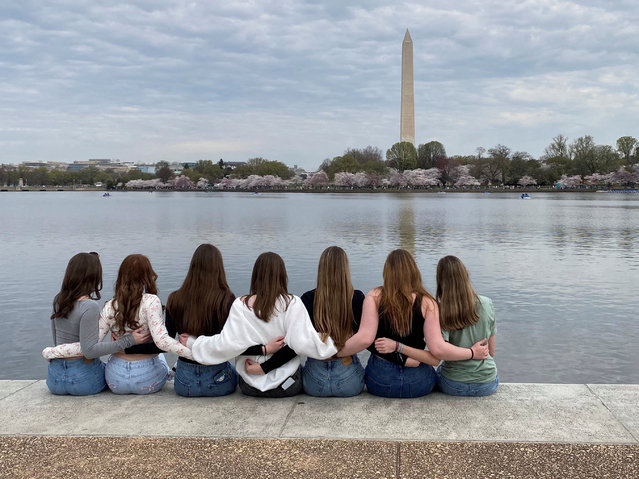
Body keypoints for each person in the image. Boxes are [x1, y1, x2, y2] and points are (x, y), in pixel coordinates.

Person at [181, 252, 337, 398]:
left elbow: (228, 345)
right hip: (287, 386)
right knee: (301, 371)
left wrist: (193, 343)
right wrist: (334, 341)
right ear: (282, 275)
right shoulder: (293, 303)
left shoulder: (240, 305)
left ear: (255, 275)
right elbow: (300, 344)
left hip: (249, 386)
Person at [364, 249, 489, 398]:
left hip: (379, 381)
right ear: (414, 271)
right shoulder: (428, 303)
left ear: (387, 272)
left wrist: (397, 347)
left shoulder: (374, 296)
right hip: (418, 383)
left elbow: (365, 339)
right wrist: (472, 353)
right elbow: (436, 355)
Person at [244, 246, 366, 397]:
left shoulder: (308, 299)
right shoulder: (358, 298)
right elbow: (368, 339)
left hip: (314, 381)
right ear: (346, 269)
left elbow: (294, 345)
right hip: (349, 380)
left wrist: (264, 367)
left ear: (321, 269)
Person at [42, 252, 148, 395]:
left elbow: (58, 343)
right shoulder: (89, 306)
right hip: (82, 380)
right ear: (94, 276)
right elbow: (89, 350)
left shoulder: (58, 301)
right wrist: (129, 340)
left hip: (54, 380)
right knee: (114, 372)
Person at [163, 244, 238, 397]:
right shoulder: (227, 300)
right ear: (218, 268)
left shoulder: (174, 299)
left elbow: (167, 340)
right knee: (236, 372)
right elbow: (230, 342)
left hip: (184, 382)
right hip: (219, 380)